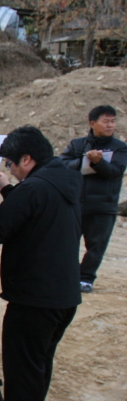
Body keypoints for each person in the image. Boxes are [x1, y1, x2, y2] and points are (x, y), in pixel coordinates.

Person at [0, 126, 82, 401]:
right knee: (37, 364)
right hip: (62, 296)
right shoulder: (61, 181)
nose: (9, 170)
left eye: (11, 164)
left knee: (23, 366)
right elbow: (33, 213)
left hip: (35, 299)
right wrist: (10, 190)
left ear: (27, 159)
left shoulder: (32, 190)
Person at [59, 105, 127, 293]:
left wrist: (99, 163)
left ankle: (86, 278)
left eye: (113, 121)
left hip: (103, 205)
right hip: (75, 203)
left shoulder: (120, 148)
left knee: (96, 246)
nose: (110, 125)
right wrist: (83, 162)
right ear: (93, 123)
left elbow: (115, 172)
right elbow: (62, 165)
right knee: (68, 243)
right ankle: (68, 276)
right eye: (106, 121)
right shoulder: (77, 145)